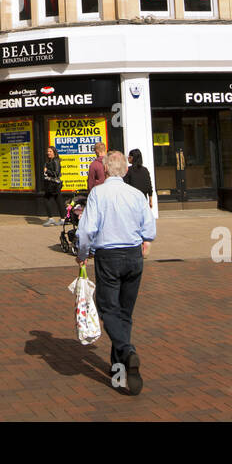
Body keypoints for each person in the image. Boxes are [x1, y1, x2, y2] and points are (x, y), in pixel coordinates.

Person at [75, 150, 156, 396]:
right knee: (124, 313)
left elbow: (86, 230)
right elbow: (149, 227)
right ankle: (119, 368)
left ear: (107, 169)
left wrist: (82, 254)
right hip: (133, 255)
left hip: (108, 256)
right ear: (126, 170)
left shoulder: (98, 193)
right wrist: (145, 241)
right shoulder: (135, 194)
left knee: (108, 309)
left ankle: (127, 350)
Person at [40, 145, 63, 225]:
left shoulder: (55, 160)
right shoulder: (50, 161)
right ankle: (63, 219)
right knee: (58, 200)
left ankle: (51, 218)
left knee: (47, 199)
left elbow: (56, 173)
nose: (48, 153)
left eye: (50, 151)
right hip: (51, 184)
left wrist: (47, 170)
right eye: (48, 151)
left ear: (54, 152)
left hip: (53, 184)